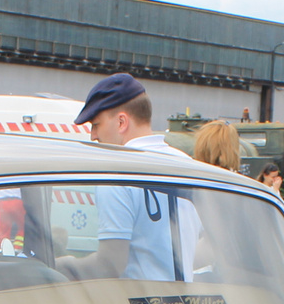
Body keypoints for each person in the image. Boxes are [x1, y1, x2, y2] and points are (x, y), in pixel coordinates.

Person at [58, 72, 199, 282]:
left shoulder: (117, 173)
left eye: (96, 125)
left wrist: (61, 265)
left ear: (122, 122)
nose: (93, 136)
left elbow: (110, 265)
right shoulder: (187, 165)